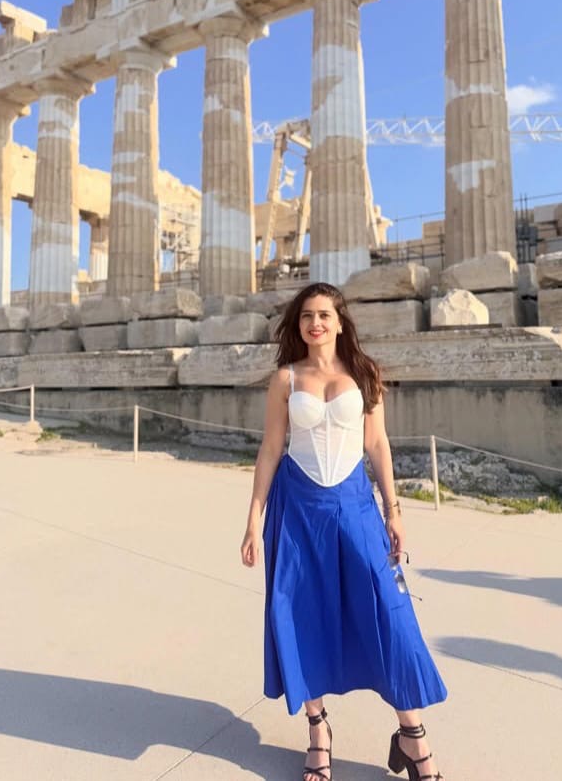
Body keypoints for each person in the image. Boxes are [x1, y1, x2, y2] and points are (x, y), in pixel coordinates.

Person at [241, 282, 447, 781]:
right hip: (298, 510)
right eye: (306, 315)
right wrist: (253, 517)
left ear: (339, 322)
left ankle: (412, 735)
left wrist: (394, 511)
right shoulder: (286, 379)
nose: (315, 323)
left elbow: (377, 444)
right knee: (298, 613)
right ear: (298, 325)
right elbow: (271, 448)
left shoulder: (365, 373)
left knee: (391, 614)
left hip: (355, 506)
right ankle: (318, 731)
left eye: (324, 315)